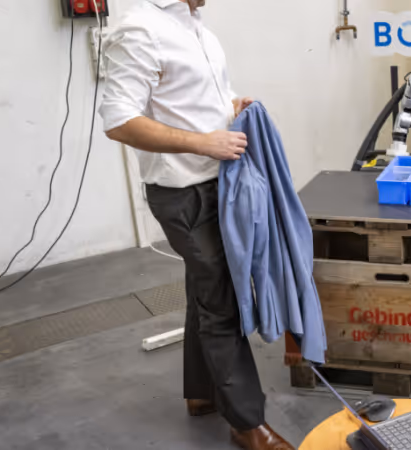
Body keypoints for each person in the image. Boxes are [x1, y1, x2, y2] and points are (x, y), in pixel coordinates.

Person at [99, 1, 293, 449]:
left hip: (219, 183)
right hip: (184, 194)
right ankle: (247, 423)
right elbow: (119, 120)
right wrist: (203, 143)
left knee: (205, 289)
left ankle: (201, 393)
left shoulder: (195, 28)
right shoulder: (140, 30)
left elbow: (191, 103)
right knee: (221, 300)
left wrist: (231, 107)